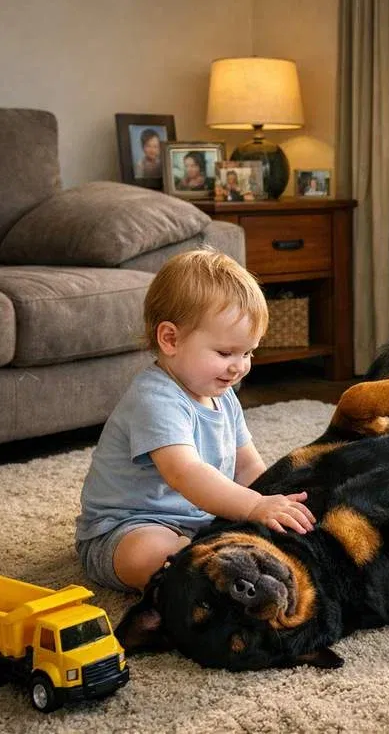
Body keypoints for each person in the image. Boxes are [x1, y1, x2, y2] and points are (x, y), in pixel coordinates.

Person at [74, 249, 315, 592]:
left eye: (248, 352)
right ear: (170, 339)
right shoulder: (155, 398)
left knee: (259, 539)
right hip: (126, 527)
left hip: (200, 522)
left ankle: (210, 564)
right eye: (225, 353)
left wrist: (272, 501)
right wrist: (254, 506)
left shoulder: (223, 394)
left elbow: (247, 467)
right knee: (151, 554)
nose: (239, 366)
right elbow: (184, 473)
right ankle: (198, 574)